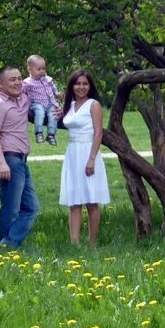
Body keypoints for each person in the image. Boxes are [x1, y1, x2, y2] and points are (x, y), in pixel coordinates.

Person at [0, 65, 54, 249]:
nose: (17, 83)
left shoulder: (23, 98)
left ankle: (8, 244)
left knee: (31, 207)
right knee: (11, 209)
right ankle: (7, 246)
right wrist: (1, 163)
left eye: (19, 78)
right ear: (0, 83)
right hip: (9, 161)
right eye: (12, 79)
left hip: (22, 162)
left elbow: (42, 93)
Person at [59, 69, 110, 246]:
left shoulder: (93, 104)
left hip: (88, 151)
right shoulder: (70, 106)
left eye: (85, 84)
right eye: (77, 83)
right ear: (72, 86)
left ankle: (92, 242)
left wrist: (91, 159)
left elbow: (98, 132)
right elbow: (68, 122)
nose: (81, 87)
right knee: (74, 200)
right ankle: (74, 243)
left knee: (91, 200)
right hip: (72, 153)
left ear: (90, 86)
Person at [23, 54, 62, 146]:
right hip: (37, 103)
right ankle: (38, 133)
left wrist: (56, 93)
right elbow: (21, 91)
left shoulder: (47, 79)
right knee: (39, 114)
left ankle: (51, 135)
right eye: (39, 69)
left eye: (43, 69)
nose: (42, 71)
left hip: (50, 103)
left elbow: (53, 86)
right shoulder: (28, 82)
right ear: (30, 69)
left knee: (54, 116)